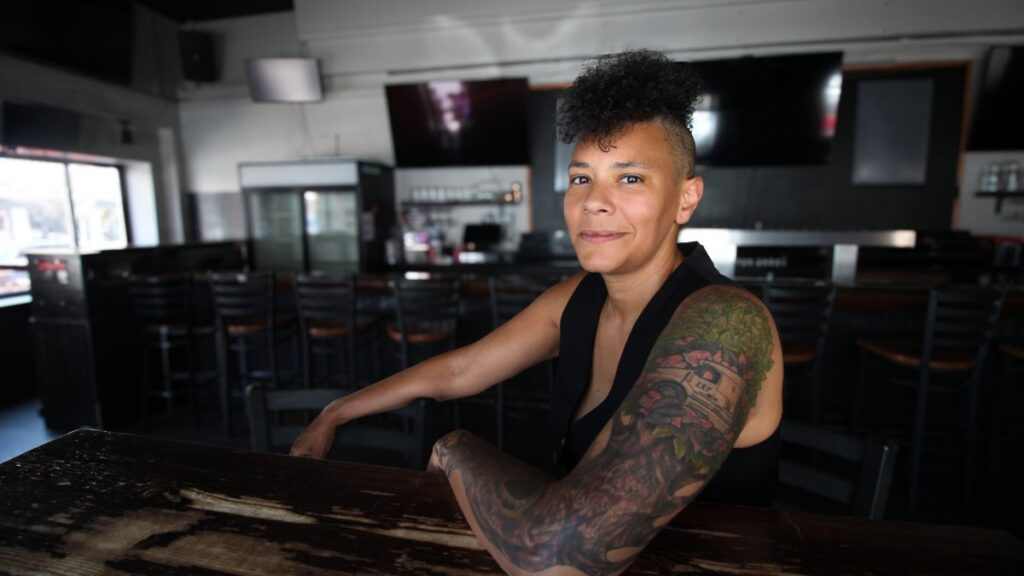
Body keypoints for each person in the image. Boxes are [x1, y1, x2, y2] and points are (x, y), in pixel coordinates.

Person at [291, 49, 783, 575]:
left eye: (630, 178)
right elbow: (461, 369)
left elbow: (557, 555)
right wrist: (335, 412)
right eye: (581, 178)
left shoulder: (727, 324)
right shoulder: (578, 297)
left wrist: (454, 448)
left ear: (686, 199)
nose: (594, 201)